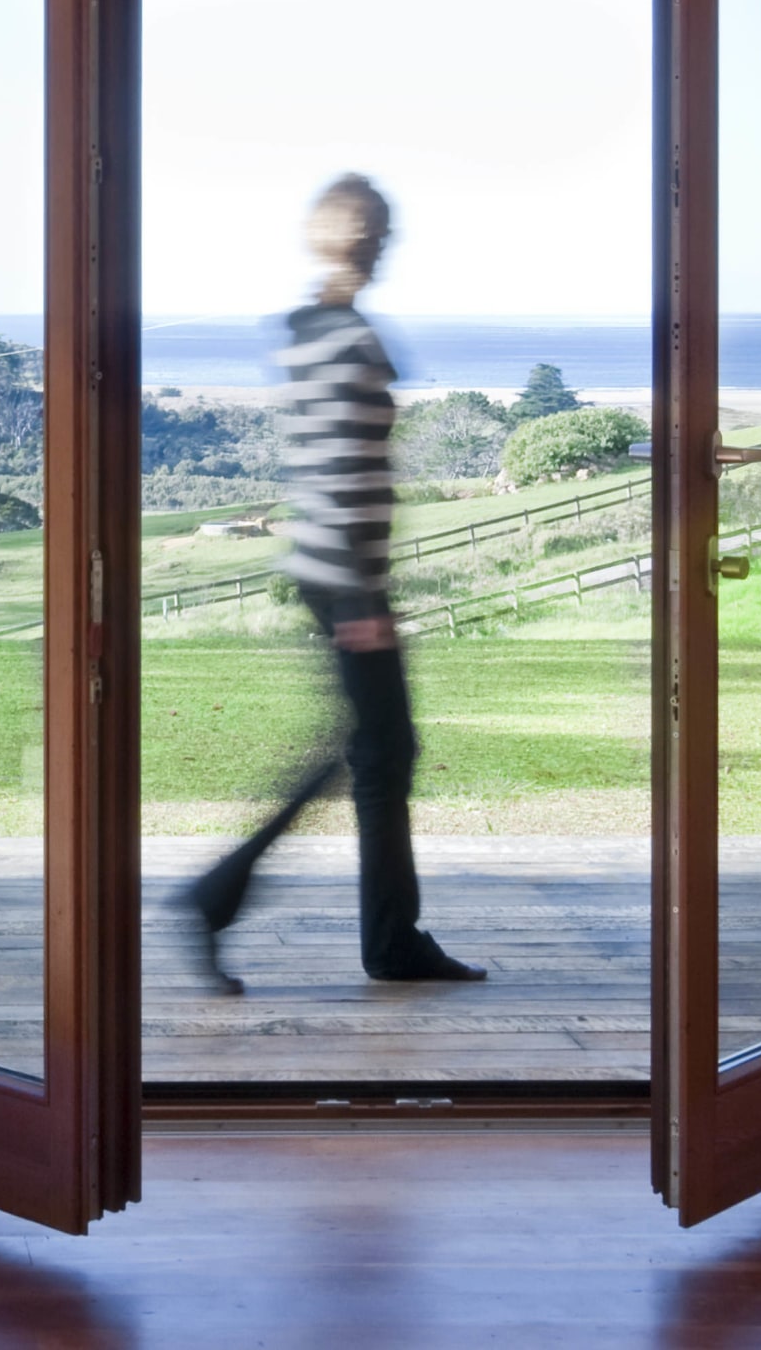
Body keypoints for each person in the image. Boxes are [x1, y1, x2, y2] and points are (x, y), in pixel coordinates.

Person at [184, 174, 487, 990]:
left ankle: (257, 902)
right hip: (348, 577)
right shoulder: (348, 339)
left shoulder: (304, 329)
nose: (385, 248)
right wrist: (361, 600)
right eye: (379, 234)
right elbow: (347, 472)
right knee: (382, 751)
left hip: (328, 567)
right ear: (359, 240)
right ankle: (253, 903)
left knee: (371, 749)